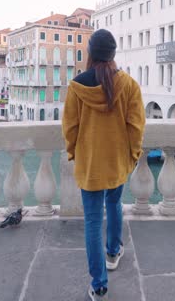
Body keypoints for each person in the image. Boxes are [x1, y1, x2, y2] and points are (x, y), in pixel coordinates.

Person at [62, 29, 145, 300]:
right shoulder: (129, 85)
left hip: (90, 165)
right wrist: (132, 156)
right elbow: (136, 127)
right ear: (112, 54)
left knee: (93, 221)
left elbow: (70, 128)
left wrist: (76, 153)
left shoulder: (76, 87)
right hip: (118, 162)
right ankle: (113, 252)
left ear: (90, 53)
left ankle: (99, 285)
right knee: (115, 204)